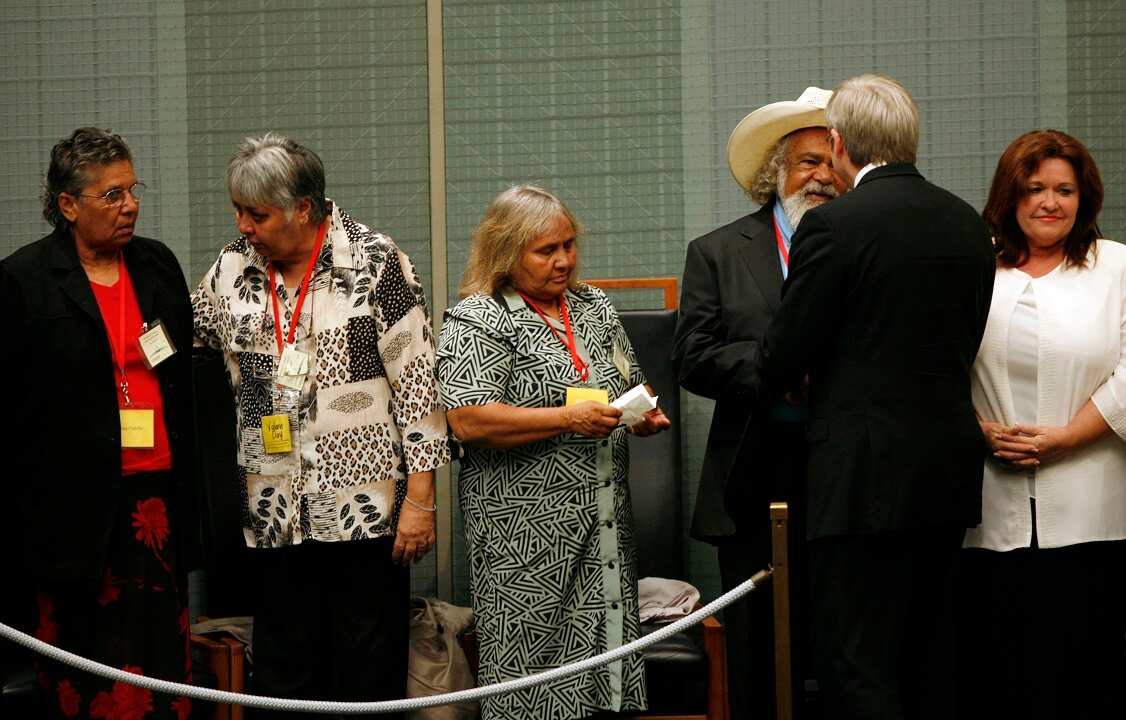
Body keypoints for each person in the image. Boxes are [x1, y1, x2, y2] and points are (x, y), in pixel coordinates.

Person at [759, 75, 996, 719]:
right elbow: (965, 339)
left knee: (858, 660)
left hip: (860, 477)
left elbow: (784, 353)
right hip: (946, 468)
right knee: (930, 656)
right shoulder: (968, 224)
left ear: (839, 144)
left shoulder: (833, 226)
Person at [192, 133, 449, 718]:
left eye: (256, 213)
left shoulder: (375, 261)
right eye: (238, 210)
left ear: (302, 209)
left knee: (364, 674)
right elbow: (187, 339)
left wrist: (421, 500)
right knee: (285, 674)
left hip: (364, 509)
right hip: (275, 509)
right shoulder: (232, 267)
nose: (244, 225)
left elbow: (417, 386)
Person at [437, 185, 670, 720]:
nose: (564, 260)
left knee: (604, 680)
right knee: (531, 687)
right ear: (506, 252)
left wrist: (643, 412)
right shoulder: (479, 318)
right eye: (546, 251)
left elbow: (631, 382)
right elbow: (469, 420)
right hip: (525, 545)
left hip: (606, 530)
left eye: (568, 245)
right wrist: (568, 419)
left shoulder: (593, 306)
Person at [1, 127, 195, 718]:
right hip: (74, 510)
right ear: (67, 205)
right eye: (111, 195)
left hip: (153, 503)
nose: (130, 204)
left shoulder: (156, 264)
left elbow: (182, 374)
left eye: (132, 189)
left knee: (161, 656)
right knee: (87, 663)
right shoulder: (23, 281)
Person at [672, 86, 845, 719]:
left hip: (845, 474)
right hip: (750, 481)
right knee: (754, 657)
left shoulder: (864, 247)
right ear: (776, 175)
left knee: (840, 649)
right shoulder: (717, 252)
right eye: (807, 162)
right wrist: (778, 372)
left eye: (834, 163)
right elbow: (692, 356)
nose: (822, 177)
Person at [958, 130, 1126, 720]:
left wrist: (1065, 437)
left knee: (1085, 674)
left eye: (1064, 189)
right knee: (998, 675)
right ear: (1010, 195)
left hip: (1094, 519)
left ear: (1085, 198)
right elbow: (933, 363)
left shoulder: (1118, 268)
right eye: (1034, 189)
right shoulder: (973, 266)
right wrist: (977, 429)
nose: (1050, 202)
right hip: (987, 512)